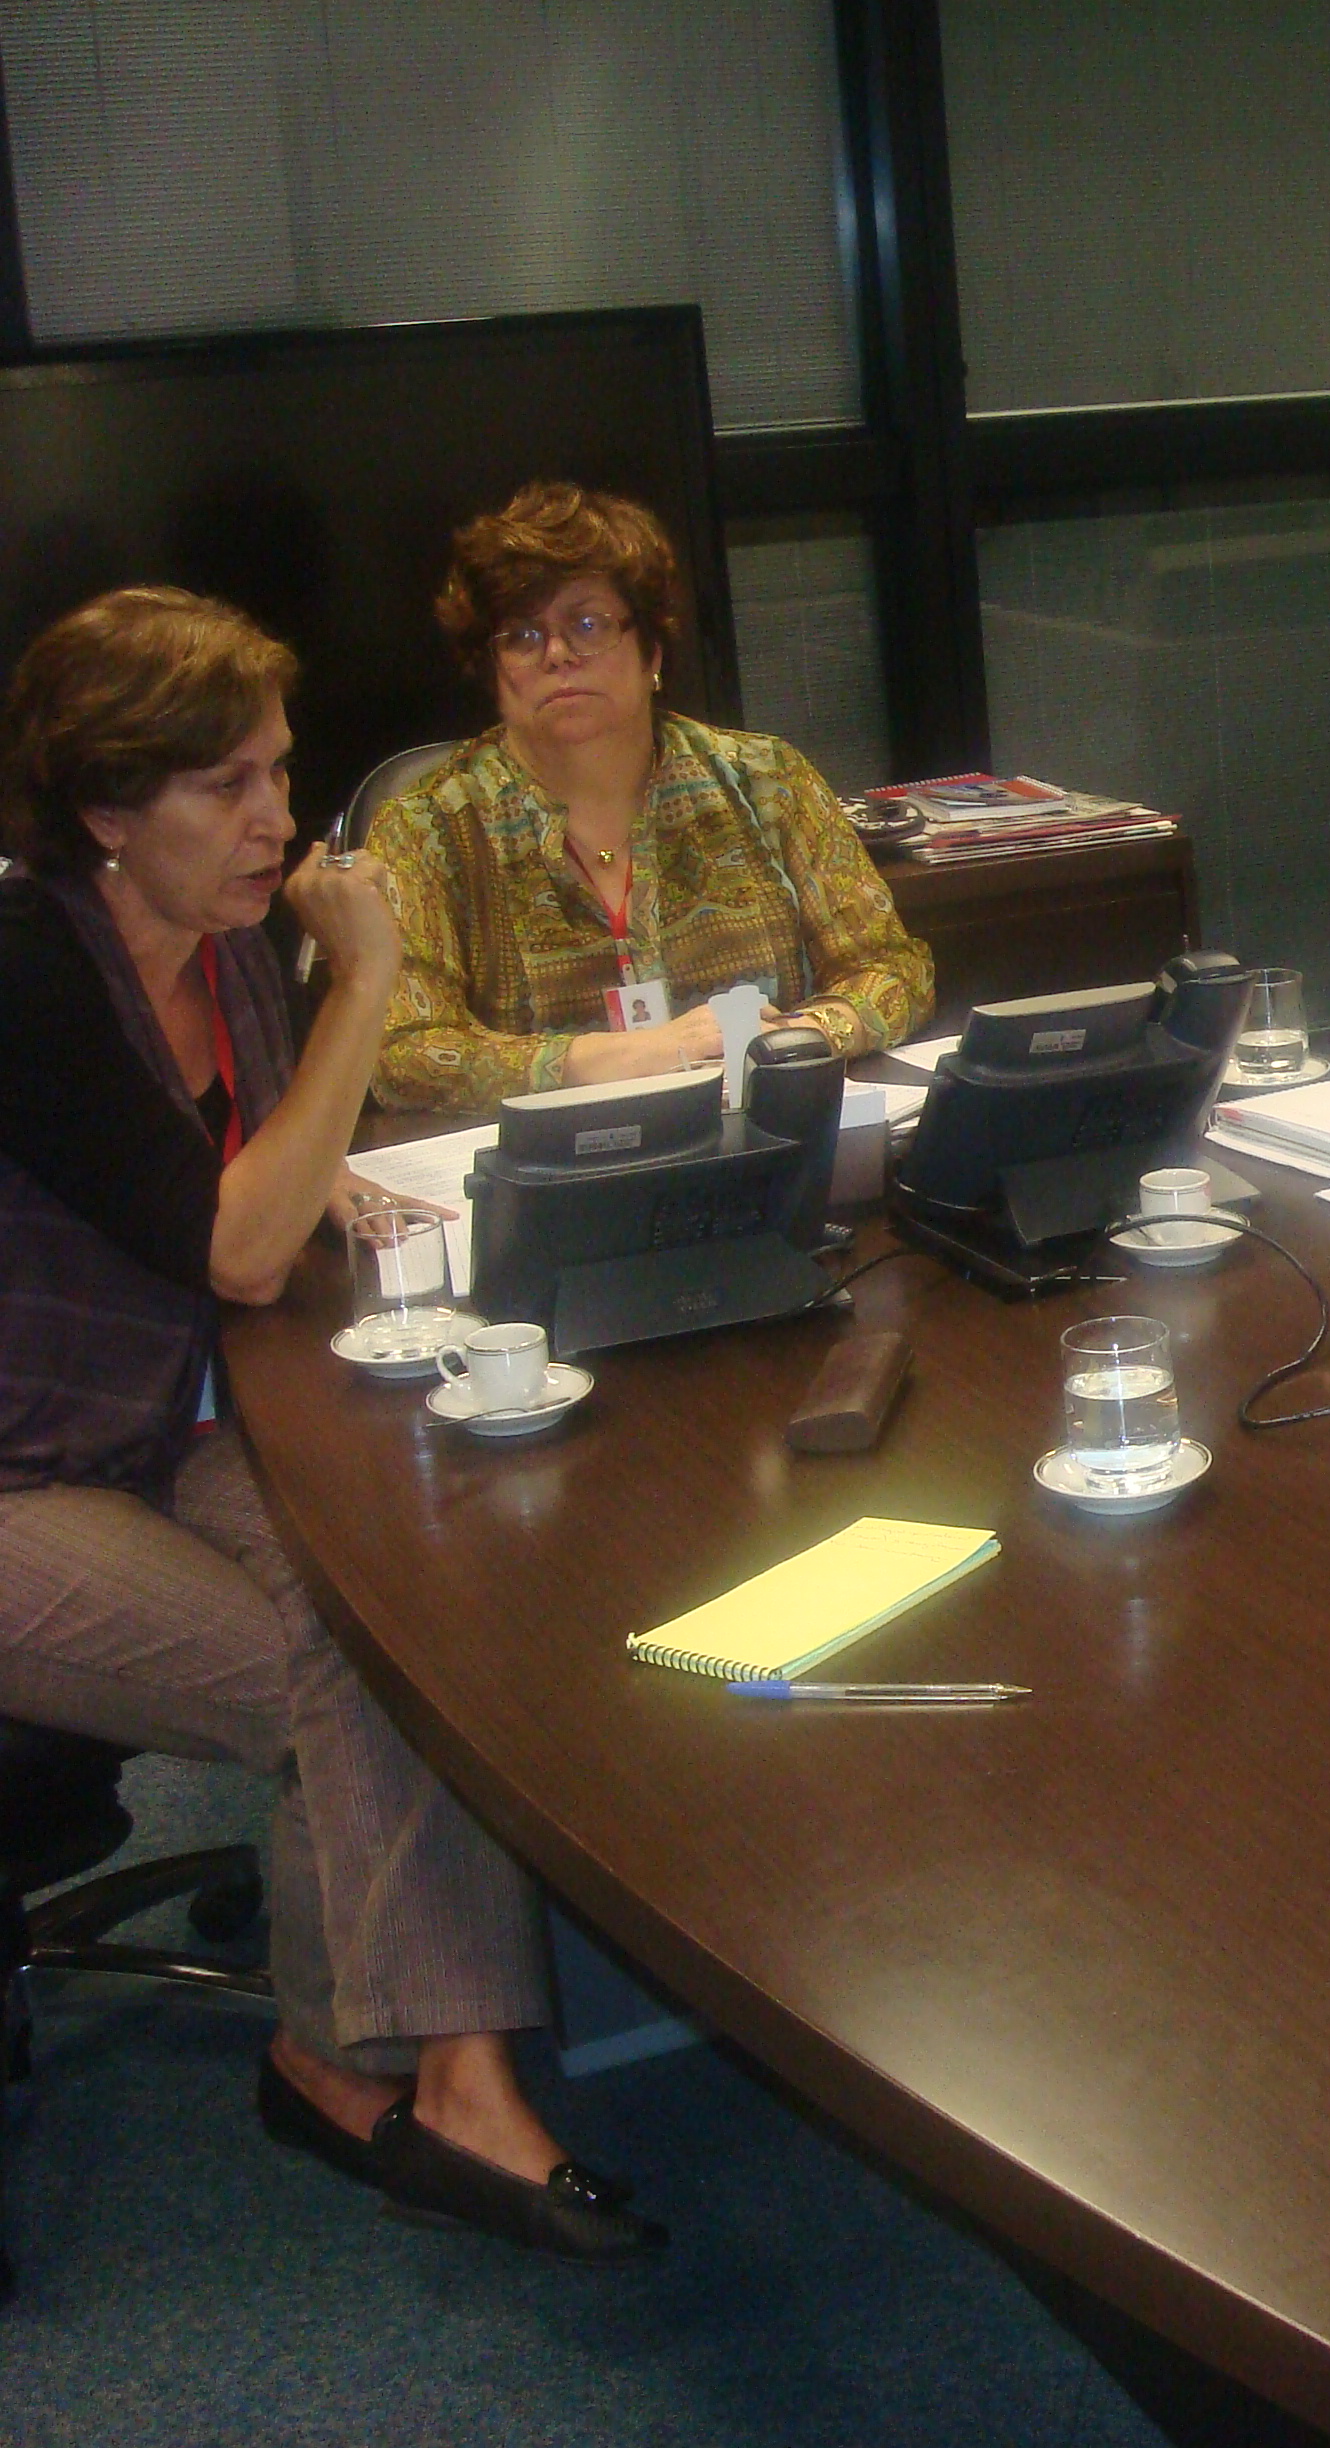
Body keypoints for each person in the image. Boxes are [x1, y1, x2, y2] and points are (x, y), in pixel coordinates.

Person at [0, 587, 661, 2263]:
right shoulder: (24, 968)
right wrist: (363, 975)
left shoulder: (226, 949)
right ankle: (376, 2061)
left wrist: (336, 1175)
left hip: (167, 1415)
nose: (279, 821)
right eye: (224, 785)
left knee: (392, 1611)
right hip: (21, 1464)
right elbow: (225, 1232)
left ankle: (417, 2060)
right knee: (331, 1679)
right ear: (102, 806)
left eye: (281, 775)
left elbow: (248, 1182)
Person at [367, 480, 932, 1109]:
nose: (557, 654)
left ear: (652, 650)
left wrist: (792, 1040)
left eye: (588, 624)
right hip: (561, 1174)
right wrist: (636, 1055)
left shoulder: (767, 781)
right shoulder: (426, 830)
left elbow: (894, 971)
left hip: (760, 1138)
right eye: (522, 636)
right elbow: (400, 1054)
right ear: (491, 670)